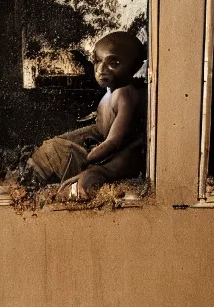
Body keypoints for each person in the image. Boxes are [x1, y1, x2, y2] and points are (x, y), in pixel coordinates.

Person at [23, 31, 146, 200]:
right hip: (101, 153)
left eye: (114, 63)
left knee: (53, 153)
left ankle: (26, 186)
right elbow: (98, 128)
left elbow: (113, 141)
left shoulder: (124, 95)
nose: (101, 70)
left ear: (134, 65)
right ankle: (27, 181)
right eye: (97, 61)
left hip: (109, 160)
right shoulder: (112, 93)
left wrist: (90, 157)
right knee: (52, 149)